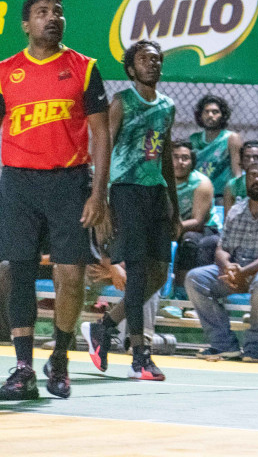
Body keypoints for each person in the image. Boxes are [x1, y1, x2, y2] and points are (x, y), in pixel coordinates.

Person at [0, 0, 111, 403]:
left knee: (70, 276)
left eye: (58, 11)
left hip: (69, 182)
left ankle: (61, 357)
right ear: (26, 23)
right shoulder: (5, 71)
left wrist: (98, 193)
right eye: (41, 12)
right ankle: (22, 368)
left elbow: (102, 133)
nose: (51, 17)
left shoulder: (84, 68)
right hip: (19, 183)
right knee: (18, 272)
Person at [82, 40, 177, 382]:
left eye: (157, 59)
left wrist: (176, 208)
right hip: (125, 192)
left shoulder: (168, 106)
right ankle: (140, 355)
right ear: (131, 67)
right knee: (138, 275)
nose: (152, 63)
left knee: (158, 275)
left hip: (156, 194)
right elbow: (103, 148)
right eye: (144, 58)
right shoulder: (122, 101)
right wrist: (102, 197)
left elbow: (164, 156)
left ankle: (103, 327)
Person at [183, 160, 258, 362]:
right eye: (253, 175)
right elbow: (222, 248)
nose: (257, 179)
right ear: (245, 180)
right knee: (195, 278)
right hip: (238, 270)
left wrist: (246, 271)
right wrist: (228, 267)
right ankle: (224, 344)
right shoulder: (237, 210)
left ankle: (255, 347)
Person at [169, 140, 218, 287]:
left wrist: (170, 229)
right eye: (175, 157)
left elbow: (198, 222)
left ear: (192, 161)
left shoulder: (201, 183)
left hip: (204, 229)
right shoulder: (161, 180)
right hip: (173, 227)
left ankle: (182, 296)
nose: (180, 162)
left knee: (188, 241)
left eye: (185, 158)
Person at [188, 95, 241, 189]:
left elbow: (237, 172)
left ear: (223, 115)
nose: (210, 115)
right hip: (199, 192)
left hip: (221, 195)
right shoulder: (193, 139)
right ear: (200, 115)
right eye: (206, 112)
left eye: (215, 112)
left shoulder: (231, 138)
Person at [222, 140, 258, 209]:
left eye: (257, 158)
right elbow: (228, 217)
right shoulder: (232, 186)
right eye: (247, 157)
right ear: (241, 162)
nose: (251, 161)